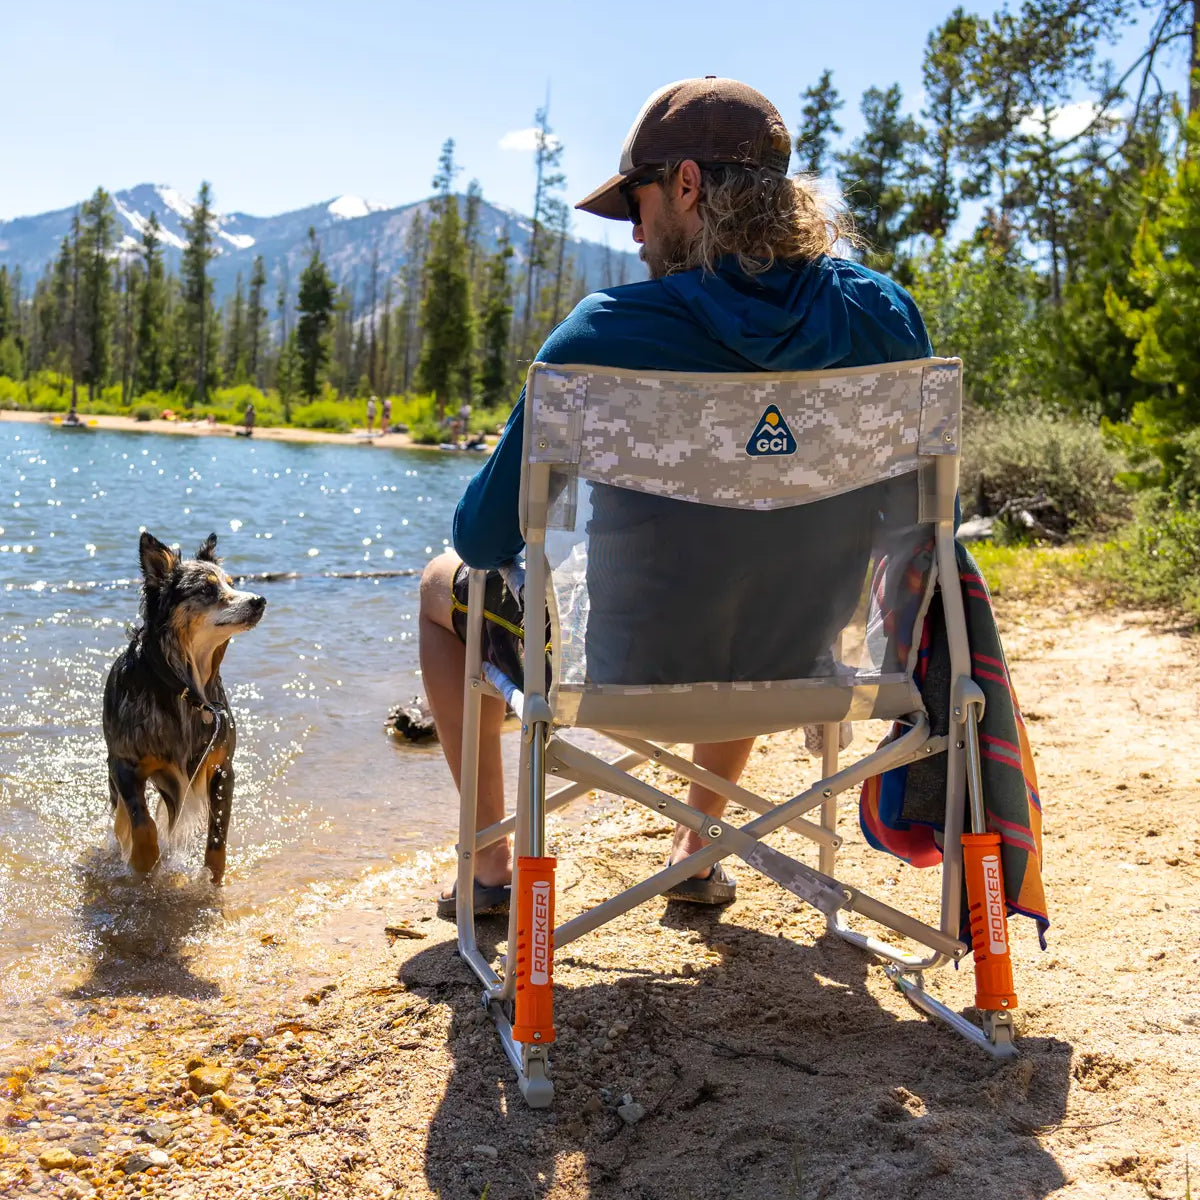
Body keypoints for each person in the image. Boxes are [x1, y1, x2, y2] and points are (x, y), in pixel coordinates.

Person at [418, 76, 932, 918]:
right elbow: (909, 516)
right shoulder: (886, 318)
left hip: (619, 669)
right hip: (799, 656)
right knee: (760, 570)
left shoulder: (604, 330)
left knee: (444, 582)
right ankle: (698, 844)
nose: (633, 230)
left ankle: (489, 869)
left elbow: (481, 537)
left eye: (638, 201)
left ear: (687, 186)